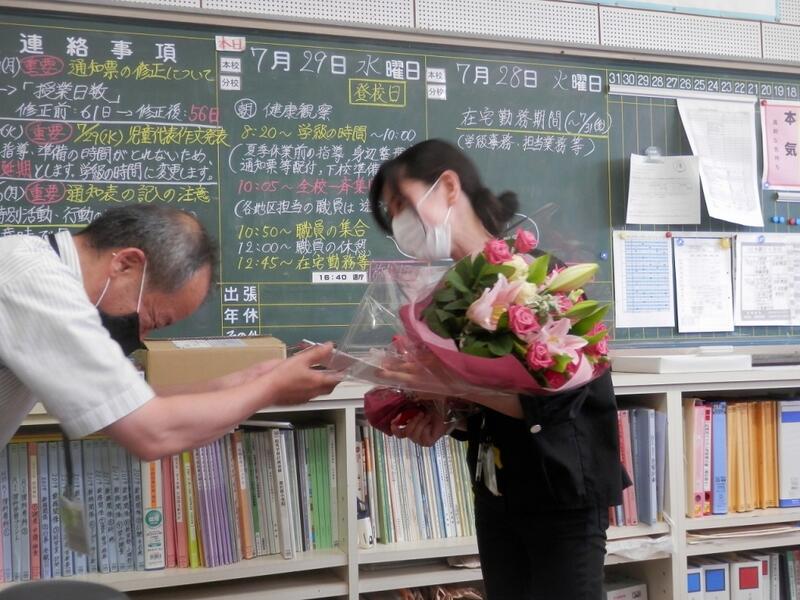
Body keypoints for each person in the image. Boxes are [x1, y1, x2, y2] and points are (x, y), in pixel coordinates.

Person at [368, 139, 626, 600]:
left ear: (448, 186)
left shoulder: (536, 278)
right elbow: (491, 404)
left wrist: (452, 382)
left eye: (402, 203)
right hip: (496, 491)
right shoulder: (446, 297)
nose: (400, 222)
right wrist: (447, 417)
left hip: (560, 490)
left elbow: (560, 402)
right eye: (392, 214)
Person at [0, 205, 341, 459]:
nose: (142, 336)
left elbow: (133, 401)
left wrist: (250, 380)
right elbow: (151, 432)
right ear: (125, 264)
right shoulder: (34, 280)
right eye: (152, 319)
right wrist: (271, 388)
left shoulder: (39, 271)